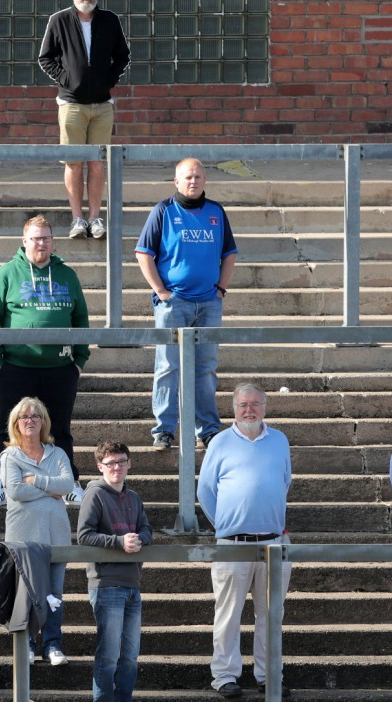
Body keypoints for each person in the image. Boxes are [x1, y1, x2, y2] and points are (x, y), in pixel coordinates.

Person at [0, 214, 88, 508]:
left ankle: (69, 483)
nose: (41, 243)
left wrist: (78, 361)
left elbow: (81, 321)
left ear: (53, 242)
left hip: (60, 369)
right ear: (24, 241)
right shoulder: (5, 274)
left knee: (60, 428)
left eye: (46, 238)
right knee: (6, 425)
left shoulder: (67, 275)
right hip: (16, 367)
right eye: (36, 238)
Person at [197, 383, 293, 699]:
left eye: (254, 404)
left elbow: (284, 483)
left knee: (271, 615)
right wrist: (228, 526)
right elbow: (205, 492)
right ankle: (224, 676)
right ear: (233, 408)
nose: (248, 409)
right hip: (232, 544)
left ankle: (269, 676)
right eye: (242, 404)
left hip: (274, 543)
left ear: (264, 407)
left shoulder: (279, 440)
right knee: (228, 613)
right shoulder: (220, 443)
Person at [135, 158, 237, 450]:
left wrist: (220, 290)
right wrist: (161, 290)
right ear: (176, 182)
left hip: (209, 302)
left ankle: (206, 429)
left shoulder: (216, 212)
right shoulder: (163, 211)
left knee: (205, 368)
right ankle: (164, 430)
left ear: (205, 180)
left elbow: (229, 253)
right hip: (174, 302)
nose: (193, 182)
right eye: (187, 177)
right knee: (168, 367)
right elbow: (144, 253)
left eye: (198, 177)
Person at [38, 0, 129, 240]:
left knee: (98, 163)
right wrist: (67, 80)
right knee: (73, 162)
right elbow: (45, 58)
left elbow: (122, 56)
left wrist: (108, 81)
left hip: (102, 105)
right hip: (71, 105)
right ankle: (77, 219)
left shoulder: (110, 20)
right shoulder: (59, 20)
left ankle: (95, 219)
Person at [0, 396, 75, 666]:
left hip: (56, 534)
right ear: (16, 424)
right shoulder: (9, 455)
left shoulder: (57, 453)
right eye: (24, 417)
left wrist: (36, 478)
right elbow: (16, 491)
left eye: (35, 416)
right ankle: (28, 644)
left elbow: (67, 485)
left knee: (54, 593)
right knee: (28, 592)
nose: (30, 420)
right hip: (23, 536)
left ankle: (53, 644)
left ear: (43, 422)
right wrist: (50, 490)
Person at [77, 440, 153, 702]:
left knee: (130, 656)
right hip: (107, 584)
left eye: (122, 461)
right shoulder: (94, 495)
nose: (117, 467)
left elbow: (147, 529)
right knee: (108, 656)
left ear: (129, 463)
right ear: (100, 467)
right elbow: (84, 536)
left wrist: (141, 539)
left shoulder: (134, 497)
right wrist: (119, 543)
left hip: (133, 584)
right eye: (110, 463)